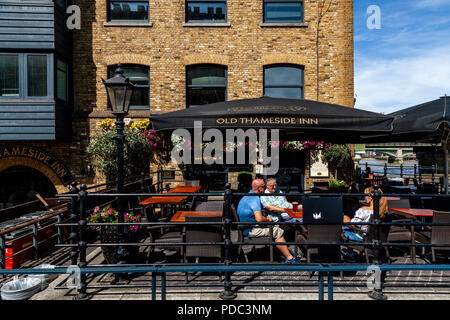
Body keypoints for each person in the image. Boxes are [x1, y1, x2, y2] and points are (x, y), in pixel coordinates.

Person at [237, 179, 300, 264]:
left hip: (246, 226)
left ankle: (285, 252)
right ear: (259, 188)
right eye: (264, 186)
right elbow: (259, 219)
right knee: (277, 230)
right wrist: (268, 219)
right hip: (250, 229)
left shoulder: (247, 196)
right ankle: (290, 258)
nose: (265, 189)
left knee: (275, 228)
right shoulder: (255, 199)